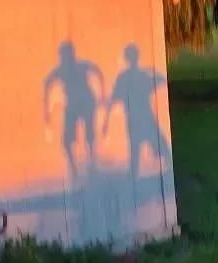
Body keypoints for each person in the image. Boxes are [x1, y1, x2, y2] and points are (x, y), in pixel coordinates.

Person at [103, 43, 171, 179]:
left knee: (136, 149)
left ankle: (135, 175)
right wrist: (150, 70)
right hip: (146, 116)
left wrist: (106, 121)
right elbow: (162, 79)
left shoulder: (123, 77)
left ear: (126, 58)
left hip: (134, 118)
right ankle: (165, 170)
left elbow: (113, 99)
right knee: (160, 145)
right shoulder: (143, 75)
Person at [44, 41, 104, 180]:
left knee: (89, 135)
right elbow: (47, 85)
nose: (64, 58)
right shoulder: (61, 70)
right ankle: (74, 168)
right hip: (73, 105)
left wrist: (102, 93)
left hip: (86, 101)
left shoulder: (80, 66)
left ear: (72, 54)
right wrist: (46, 111)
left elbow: (97, 71)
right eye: (63, 55)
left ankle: (91, 162)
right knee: (67, 141)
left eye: (66, 54)